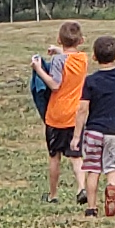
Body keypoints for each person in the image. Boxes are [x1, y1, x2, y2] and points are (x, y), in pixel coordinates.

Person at [32, 21, 92, 205]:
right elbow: (70, 56)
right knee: (76, 155)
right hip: (75, 116)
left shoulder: (58, 61)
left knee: (54, 156)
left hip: (56, 115)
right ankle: (81, 188)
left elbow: (55, 84)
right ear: (81, 40)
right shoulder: (83, 59)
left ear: (59, 38)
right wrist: (58, 49)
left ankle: (53, 194)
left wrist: (39, 69)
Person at [74, 33, 115, 218]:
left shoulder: (90, 81)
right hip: (114, 131)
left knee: (92, 169)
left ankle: (91, 208)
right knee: (112, 166)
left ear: (94, 57)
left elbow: (82, 109)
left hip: (94, 131)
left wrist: (76, 136)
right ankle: (111, 187)